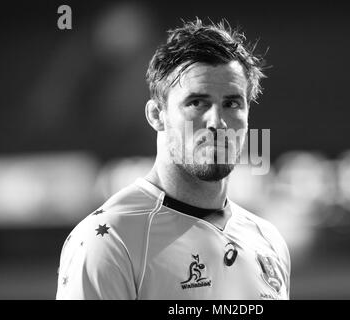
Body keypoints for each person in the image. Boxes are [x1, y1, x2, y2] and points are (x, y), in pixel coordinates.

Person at [56, 18, 290, 300]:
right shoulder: (109, 241)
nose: (217, 122)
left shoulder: (267, 240)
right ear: (156, 115)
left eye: (231, 103)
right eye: (196, 103)